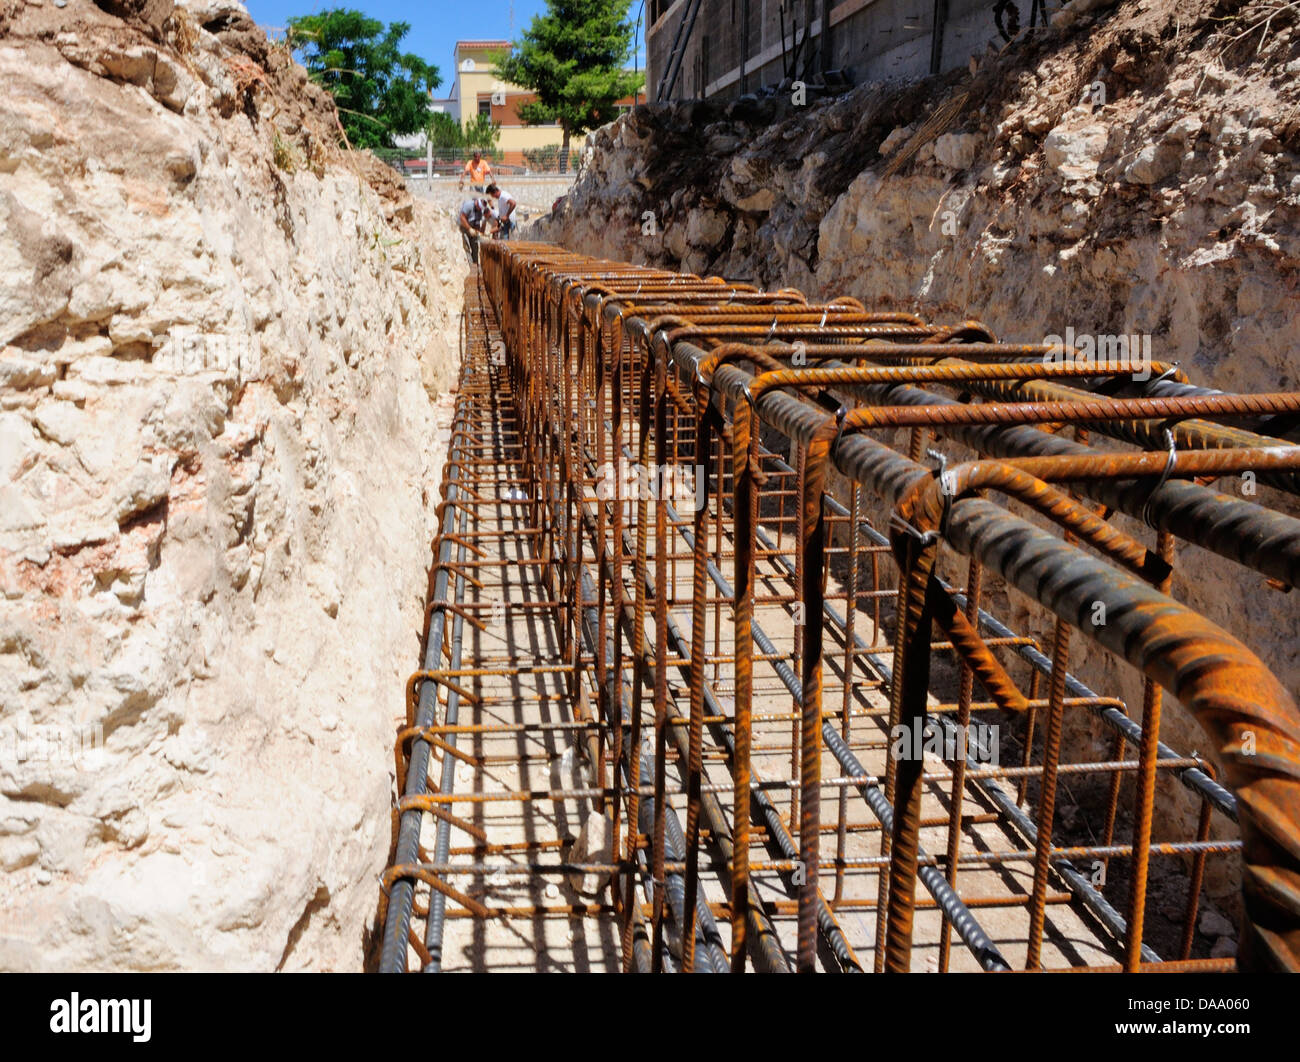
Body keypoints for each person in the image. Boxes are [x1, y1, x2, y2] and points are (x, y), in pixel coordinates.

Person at [458, 196, 491, 264]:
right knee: (466, 247)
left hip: (472, 228)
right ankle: (470, 265)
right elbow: (462, 217)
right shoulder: (468, 205)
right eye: (479, 208)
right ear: (477, 203)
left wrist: (478, 233)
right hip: (463, 227)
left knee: (475, 247)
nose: (479, 209)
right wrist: (469, 229)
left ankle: (475, 264)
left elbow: (477, 224)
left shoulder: (479, 211)